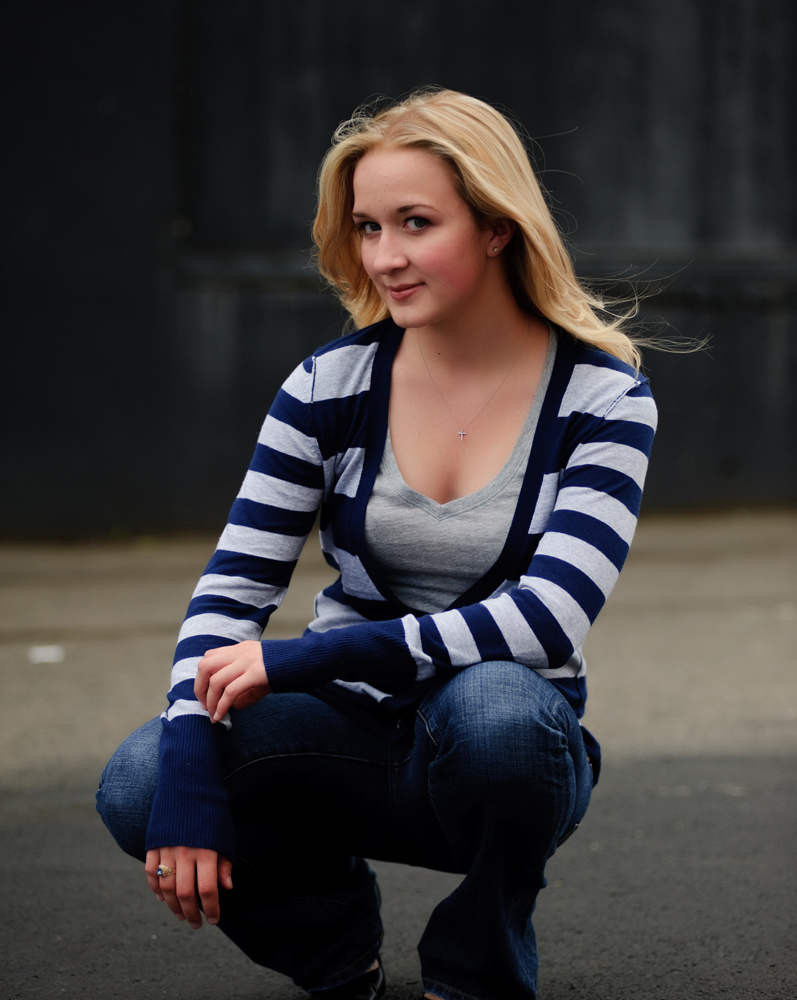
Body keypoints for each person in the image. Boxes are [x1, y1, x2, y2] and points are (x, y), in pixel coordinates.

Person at [97, 88, 656, 1000]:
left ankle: (475, 971)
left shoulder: (602, 398)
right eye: (366, 227)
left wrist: (306, 658)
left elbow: (548, 617)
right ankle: (335, 951)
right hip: (341, 727)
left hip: (502, 747)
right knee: (139, 782)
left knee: (498, 714)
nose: (384, 257)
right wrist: (192, 747)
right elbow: (232, 589)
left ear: (496, 227)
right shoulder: (329, 385)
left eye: (415, 223)